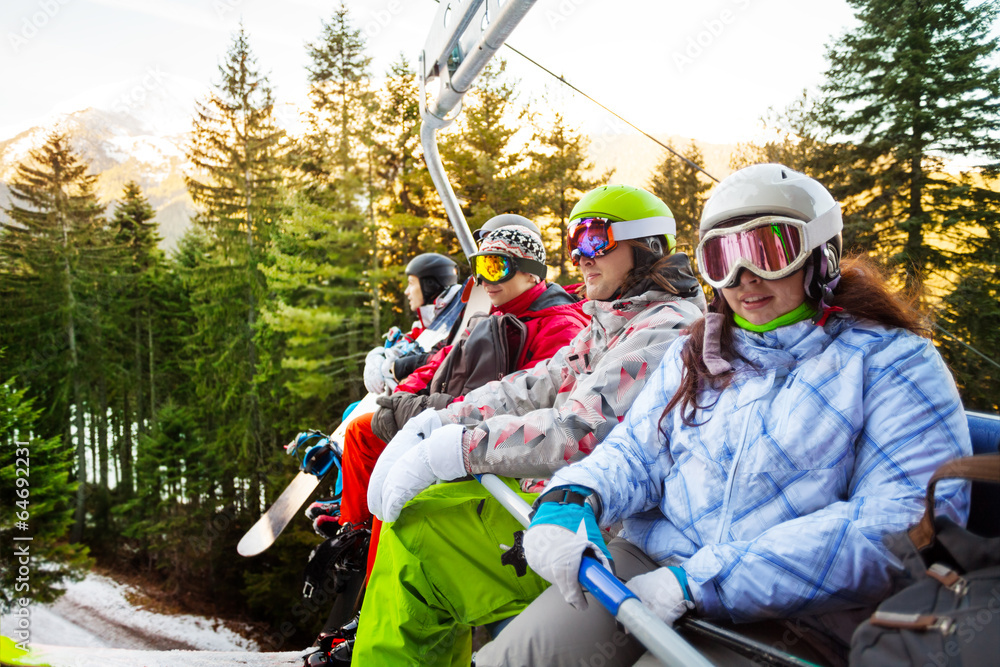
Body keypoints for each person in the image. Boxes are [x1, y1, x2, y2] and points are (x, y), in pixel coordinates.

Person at [476, 164, 973, 667]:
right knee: (516, 659)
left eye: (769, 252)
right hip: (650, 563)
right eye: (721, 258)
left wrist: (706, 579)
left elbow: (903, 520)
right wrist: (578, 492)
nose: (743, 279)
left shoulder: (892, 362)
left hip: (796, 613)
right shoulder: (700, 352)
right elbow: (637, 450)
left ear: (820, 255)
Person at [347, 185, 708, 666]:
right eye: (573, 241)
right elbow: (535, 385)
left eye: (594, 239)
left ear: (646, 246)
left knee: (419, 540)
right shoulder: (612, 318)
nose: (581, 257)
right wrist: (438, 420)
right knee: (416, 529)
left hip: (601, 521)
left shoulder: (667, 330)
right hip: (551, 492)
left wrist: (460, 448)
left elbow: (577, 430)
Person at [306, 217, 589, 665]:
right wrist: (402, 393)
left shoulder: (558, 325)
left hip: (500, 456)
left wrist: (432, 413)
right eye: (479, 267)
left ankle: (379, 600)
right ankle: (355, 538)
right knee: (364, 433)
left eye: (497, 268)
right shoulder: (491, 318)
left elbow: (529, 402)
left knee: (407, 496)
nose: (483, 280)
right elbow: (440, 361)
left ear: (531, 270)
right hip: (457, 422)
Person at [362, 252, 462, 396]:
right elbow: (404, 345)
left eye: (411, 284)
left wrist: (412, 363)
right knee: (351, 410)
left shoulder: (455, 320)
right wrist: (377, 356)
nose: (406, 292)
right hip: (409, 397)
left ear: (429, 286)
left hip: (426, 399)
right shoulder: (427, 326)